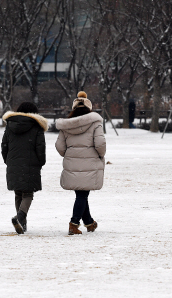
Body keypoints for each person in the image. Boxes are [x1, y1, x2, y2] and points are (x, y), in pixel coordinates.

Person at [55, 91, 106, 235]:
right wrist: (100, 155)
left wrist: (69, 155)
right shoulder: (95, 123)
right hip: (90, 162)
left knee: (81, 193)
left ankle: (89, 223)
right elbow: (100, 143)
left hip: (73, 163)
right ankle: (74, 223)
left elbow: (59, 146)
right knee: (82, 195)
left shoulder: (66, 126)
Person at [1, 102, 48, 234]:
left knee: (18, 193)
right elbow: (40, 148)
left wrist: (9, 161)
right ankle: (20, 217)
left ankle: (22, 223)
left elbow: (4, 146)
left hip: (13, 163)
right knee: (28, 193)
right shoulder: (36, 126)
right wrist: (40, 162)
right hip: (31, 164)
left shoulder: (10, 125)